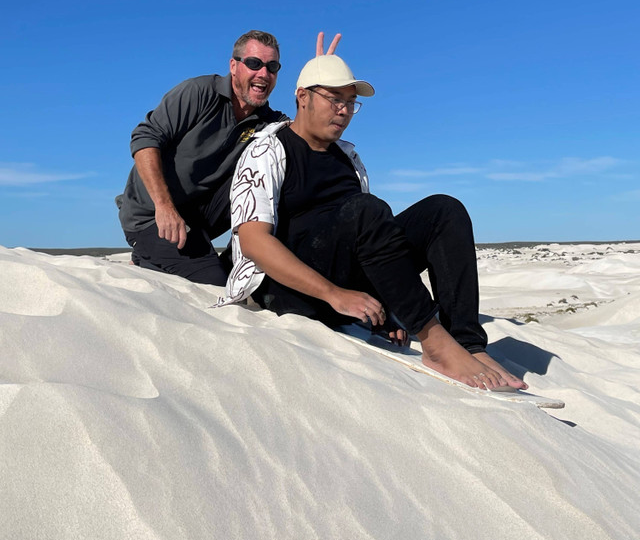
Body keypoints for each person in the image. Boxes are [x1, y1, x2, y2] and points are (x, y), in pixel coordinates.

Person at [217, 53, 527, 390]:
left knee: (444, 211)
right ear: (302, 96)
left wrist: (388, 307)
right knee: (366, 209)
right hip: (291, 289)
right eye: (334, 99)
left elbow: (374, 244)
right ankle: (435, 344)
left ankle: (468, 345)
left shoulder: (348, 158)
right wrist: (334, 294)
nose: (344, 110)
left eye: (350, 103)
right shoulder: (268, 149)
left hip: (346, 278)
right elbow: (253, 242)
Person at [116, 30, 340, 285]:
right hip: (152, 214)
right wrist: (164, 207)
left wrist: (321, 86)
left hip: (201, 218)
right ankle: (147, 256)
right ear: (234, 66)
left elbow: (303, 136)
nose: (263, 74)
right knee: (215, 283)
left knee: (283, 161)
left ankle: (237, 257)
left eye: (272, 67)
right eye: (254, 64)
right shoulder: (198, 93)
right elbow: (145, 138)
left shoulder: (269, 122)